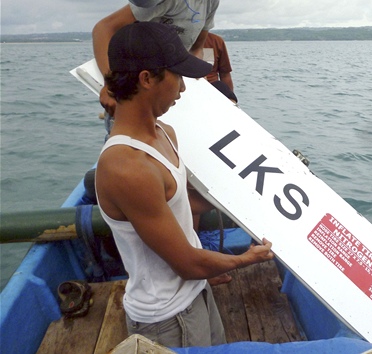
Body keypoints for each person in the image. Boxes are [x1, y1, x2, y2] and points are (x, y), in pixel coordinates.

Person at [95, 21, 274, 347]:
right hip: (166, 318)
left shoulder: (165, 134)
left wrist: (246, 200)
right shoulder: (126, 167)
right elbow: (187, 263)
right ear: (147, 79)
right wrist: (245, 259)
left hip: (195, 292)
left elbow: (177, 203)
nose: (184, 88)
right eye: (177, 76)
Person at [93, 0, 220, 119]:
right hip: (136, 90)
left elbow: (197, 48)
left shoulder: (211, 2)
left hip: (167, 92)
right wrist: (112, 86)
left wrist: (196, 79)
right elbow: (104, 28)